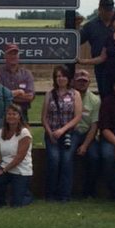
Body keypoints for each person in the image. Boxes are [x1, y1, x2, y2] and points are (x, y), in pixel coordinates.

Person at [41, 65, 82, 202]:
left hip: (69, 134)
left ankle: (64, 195)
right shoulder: (49, 94)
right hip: (51, 133)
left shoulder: (75, 94)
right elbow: (44, 117)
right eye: (58, 76)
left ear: (68, 78)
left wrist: (63, 130)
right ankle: (50, 194)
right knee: (54, 160)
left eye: (63, 76)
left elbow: (77, 117)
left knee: (66, 161)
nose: (61, 79)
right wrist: (49, 132)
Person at [0, 103, 33, 207]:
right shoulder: (1, 131)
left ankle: (26, 195)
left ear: (19, 116)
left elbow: (19, 157)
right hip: (5, 167)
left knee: (16, 204)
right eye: (9, 114)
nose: (11, 116)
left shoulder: (24, 133)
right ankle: (0, 202)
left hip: (21, 170)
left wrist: (4, 170)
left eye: (14, 114)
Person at [71, 69, 100, 198]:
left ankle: (89, 191)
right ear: (73, 82)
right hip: (72, 132)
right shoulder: (68, 97)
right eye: (79, 81)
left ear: (89, 82)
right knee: (67, 155)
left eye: (84, 81)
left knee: (94, 157)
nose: (82, 83)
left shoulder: (95, 100)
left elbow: (94, 125)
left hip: (88, 134)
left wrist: (85, 146)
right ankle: (68, 190)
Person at [80, 0, 115, 97]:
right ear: (100, 9)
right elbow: (76, 40)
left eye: (111, 10)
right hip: (101, 67)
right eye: (107, 10)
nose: (110, 12)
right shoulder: (90, 26)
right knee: (105, 95)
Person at [0, 44, 35, 118]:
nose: (13, 56)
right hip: (3, 114)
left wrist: (7, 96)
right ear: (5, 56)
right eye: (10, 54)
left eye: (15, 54)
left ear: (18, 56)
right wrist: (18, 92)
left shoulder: (26, 74)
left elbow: (30, 96)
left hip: (22, 114)